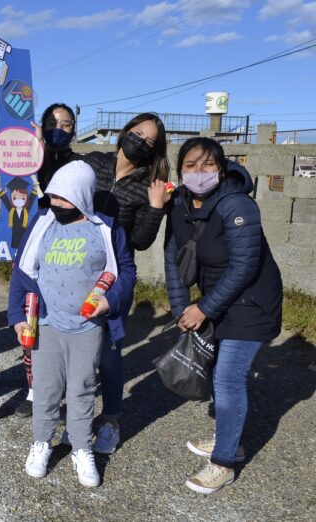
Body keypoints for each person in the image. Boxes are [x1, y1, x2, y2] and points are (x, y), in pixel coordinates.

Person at [164, 137, 282, 494]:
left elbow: (245, 266)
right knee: (218, 372)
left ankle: (225, 462)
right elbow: (173, 257)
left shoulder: (236, 204)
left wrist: (204, 309)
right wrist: (180, 306)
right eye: (191, 165)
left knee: (229, 379)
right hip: (217, 298)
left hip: (253, 301)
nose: (199, 173)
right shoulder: (180, 203)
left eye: (208, 165)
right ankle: (229, 439)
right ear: (180, 169)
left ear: (222, 168)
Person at [8, 161, 136, 487]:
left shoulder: (105, 229)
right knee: (46, 388)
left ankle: (81, 447)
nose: (56, 204)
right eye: (53, 197)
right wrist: (16, 319)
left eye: (63, 198)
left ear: (80, 196)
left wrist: (111, 301)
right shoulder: (43, 224)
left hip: (88, 326)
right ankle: (41, 442)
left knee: (81, 389)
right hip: (47, 323)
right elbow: (22, 275)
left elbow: (126, 270)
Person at [73, 112, 171, 454]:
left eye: (149, 141)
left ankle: (112, 419)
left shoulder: (149, 185)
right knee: (68, 344)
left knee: (110, 351)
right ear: (125, 131)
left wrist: (156, 207)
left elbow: (141, 241)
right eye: (137, 133)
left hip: (112, 274)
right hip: (73, 266)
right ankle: (68, 414)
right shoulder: (91, 163)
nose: (140, 141)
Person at [15, 102, 80, 418]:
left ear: (75, 129)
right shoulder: (28, 161)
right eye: (52, 123)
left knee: (66, 321)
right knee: (32, 318)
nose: (59, 129)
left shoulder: (81, 165)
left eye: (66, 123)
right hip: (34, 246)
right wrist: (35, 148)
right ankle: (33, 389)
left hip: (68, 251)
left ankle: (67, 388)